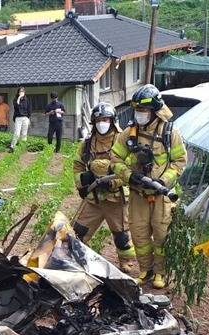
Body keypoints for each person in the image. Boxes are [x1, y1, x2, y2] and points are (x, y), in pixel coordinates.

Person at [112, 84, 187, 289]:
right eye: (137, 110)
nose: (140, 114)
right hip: (138, 194)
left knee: (161, 235)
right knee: (139, 233)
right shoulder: (130, 132)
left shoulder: (170, 133)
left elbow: (179, 162)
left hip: (162, 196)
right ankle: (146, 270)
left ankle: (160, 273)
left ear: (154, 111)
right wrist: (129, 176)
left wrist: (163, 182)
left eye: (143, 110)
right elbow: (115, 158)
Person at [72, 102, 135, 270]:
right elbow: (77, 165)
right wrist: (82, 184)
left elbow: (130, 168)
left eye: (106, 119)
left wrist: (114, 182)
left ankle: (126, 262)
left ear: (113, 120)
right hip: (94, 199)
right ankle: (73, 259)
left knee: (121, 236)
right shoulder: (87, 144)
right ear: (94, 121)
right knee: (78, 232)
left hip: (116, 199)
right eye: (99, 119)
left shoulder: (123, 141)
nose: (102, 123)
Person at [9, 87, 30, 151]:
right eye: (20, 91)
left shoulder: (27, 100)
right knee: (17, 133)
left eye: (23, 91)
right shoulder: (15, 99)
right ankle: (12, 147)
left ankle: (23, 147)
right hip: (18, 118)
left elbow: (29, 109)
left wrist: (28, 118)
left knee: (24, 134)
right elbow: (16, 106)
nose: (22, 92)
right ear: (18, 92)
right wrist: (19, 98)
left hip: (25, 118)